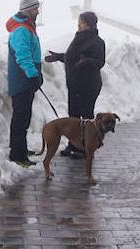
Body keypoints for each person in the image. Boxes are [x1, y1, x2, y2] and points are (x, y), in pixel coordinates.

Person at [45, 11, 107, 157]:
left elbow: (100, 62)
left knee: (85, 118)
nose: (78, 24)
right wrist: (59, 56)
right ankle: (73, 144)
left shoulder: (97, 42)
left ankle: (86, 148)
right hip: (75, 86)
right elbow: (72, 57)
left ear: (88, 24)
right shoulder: (78, 38)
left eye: (81, 22)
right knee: (73, 117)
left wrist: (86, 62)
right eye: (79, 21)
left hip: (88, 86)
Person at [6, 0, 44, 166]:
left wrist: (37, 75)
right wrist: (31, 75)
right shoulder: (21, 30)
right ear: (28, 10)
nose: (38, 12)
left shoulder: (27, 27)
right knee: (21, 118)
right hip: (21, 81)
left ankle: (20, 149)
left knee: (24, 116)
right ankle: (17, 155)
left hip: (26, 80)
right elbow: (23, 55)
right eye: (36, 9)